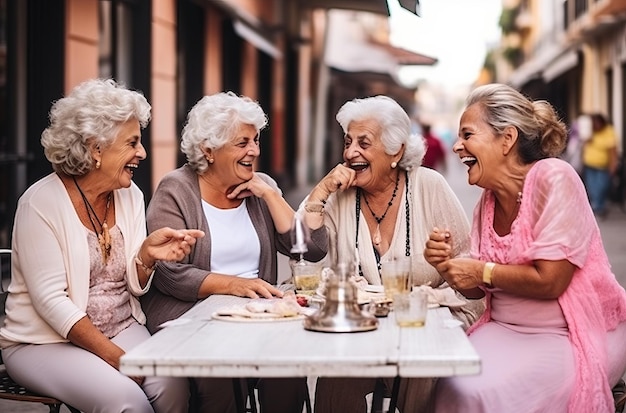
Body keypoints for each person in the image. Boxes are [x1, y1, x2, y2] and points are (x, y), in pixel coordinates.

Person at [0, 78, 204, 413]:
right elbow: (52, 303)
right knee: (126, 403)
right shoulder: (40, 203)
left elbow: (133, 286)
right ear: (96, 148)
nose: (142, 152)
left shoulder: (129, 194)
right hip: (43, 343)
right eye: (132, 143)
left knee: (173, 388)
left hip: (121, 327)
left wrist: (146, 257)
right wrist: (118, 360)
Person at [424, 83, 626, 412]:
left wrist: (479, 270)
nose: (457, 147)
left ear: (507, 139)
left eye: (467, 135)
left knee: (478, 393)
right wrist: (447, 266)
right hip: (505, 329)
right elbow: (479, 289)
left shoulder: (554, 178)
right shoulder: (486, 203)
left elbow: (551, 281)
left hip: (571, 333)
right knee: (451, 379)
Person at [141, 91, 328, 413]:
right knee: (217, 377)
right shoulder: (176, 189)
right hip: (192, 317)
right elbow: (169, 274)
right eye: (242, 143)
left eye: (255, 141)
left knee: (288, 370)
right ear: (208, 150)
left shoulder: (260, 186)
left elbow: (310, 250)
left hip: (256, 317)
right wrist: (234, 285)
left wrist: (271, 195)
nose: (253, 151)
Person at [301, 95, 484, 413]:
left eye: (363, 142)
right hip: (360, 329)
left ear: (396, 150)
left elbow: (469, 267)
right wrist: (320, 193)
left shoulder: (429, 186)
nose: (350, 153)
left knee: (421, 373)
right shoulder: (342, 196)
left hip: (425, 326)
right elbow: (303, 247)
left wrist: (445, 262)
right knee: (336, 378)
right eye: (348, 142)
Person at [582, 113, 619, 217]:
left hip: (603, 166)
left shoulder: (608, 132)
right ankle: (598, 207)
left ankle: (599, 205)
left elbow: (613, 151)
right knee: (592, 187)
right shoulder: (590, 132)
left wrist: (613, 165)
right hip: (590, 164)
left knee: (602, 186)